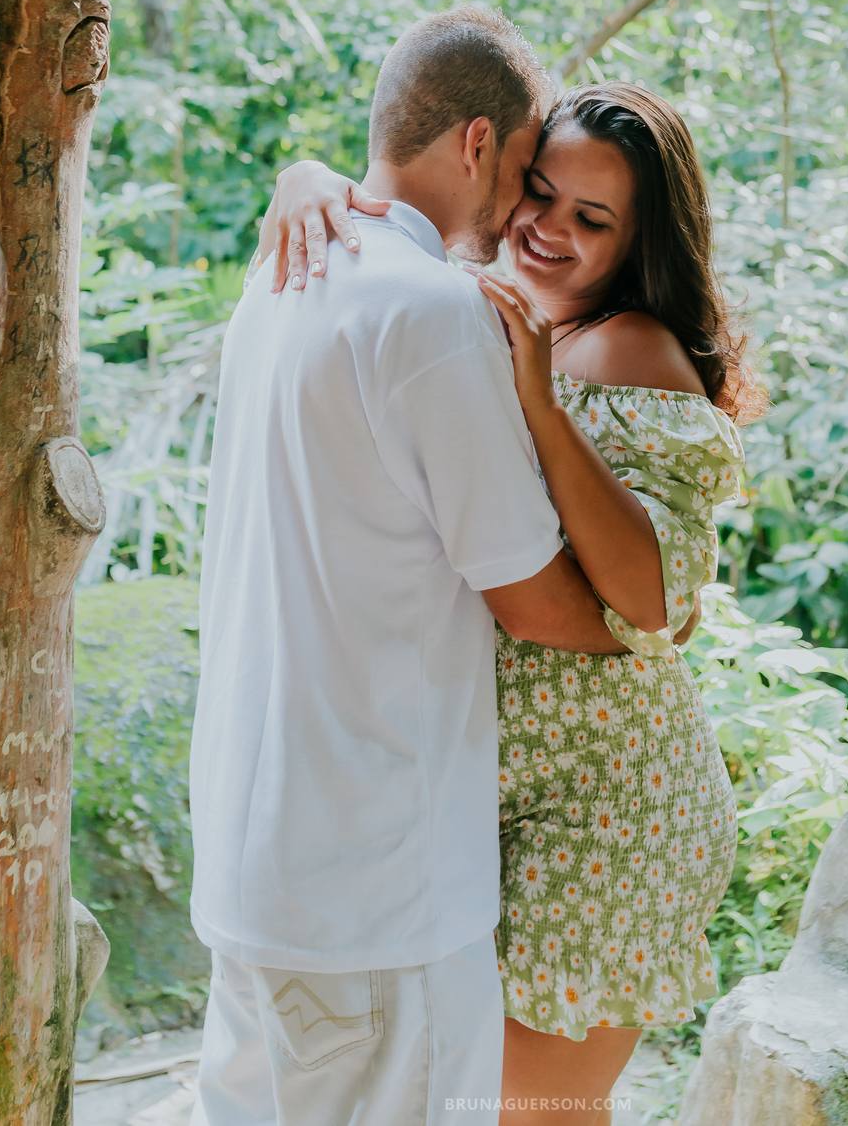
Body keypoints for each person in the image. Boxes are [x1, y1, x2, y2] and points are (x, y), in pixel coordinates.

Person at [265, 81, 757, 1111]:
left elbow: (655, 598)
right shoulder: (477, 300)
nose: (546, 228)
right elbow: (400, 199)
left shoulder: (626, 348)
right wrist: (306, 179)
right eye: (539, 192)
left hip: (610, 807)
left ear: (637, 242)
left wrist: (537, 399)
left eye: (592, 218)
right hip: (510, 799)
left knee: (539, 1111)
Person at [188, 6, 634, 1126]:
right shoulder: (431, 312)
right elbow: (537, 600)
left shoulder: (278, 281)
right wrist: (642, 617)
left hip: (255, 865)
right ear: (478, 142)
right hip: (375, 893)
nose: (526, 208)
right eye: (529, 169)